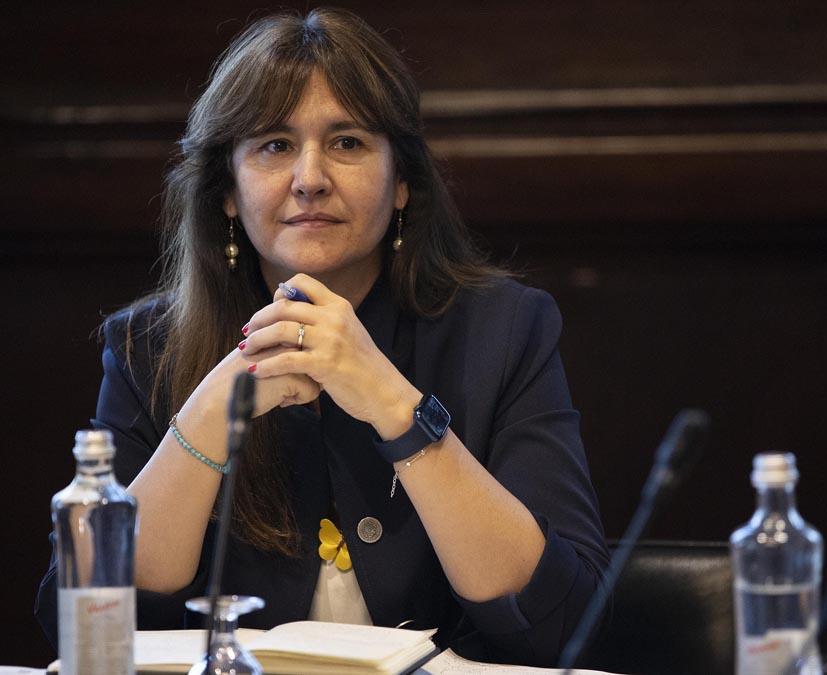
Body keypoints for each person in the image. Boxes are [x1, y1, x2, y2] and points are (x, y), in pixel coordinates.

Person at [35, 7, 607, 666]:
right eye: (275, 145)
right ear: (228, 191)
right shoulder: (148, 346)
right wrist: (217, 407)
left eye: (347, 142)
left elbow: (565, 619)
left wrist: (393, 404)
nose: (310, 177)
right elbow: (86, 624)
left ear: (401, 184)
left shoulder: (504, 328)